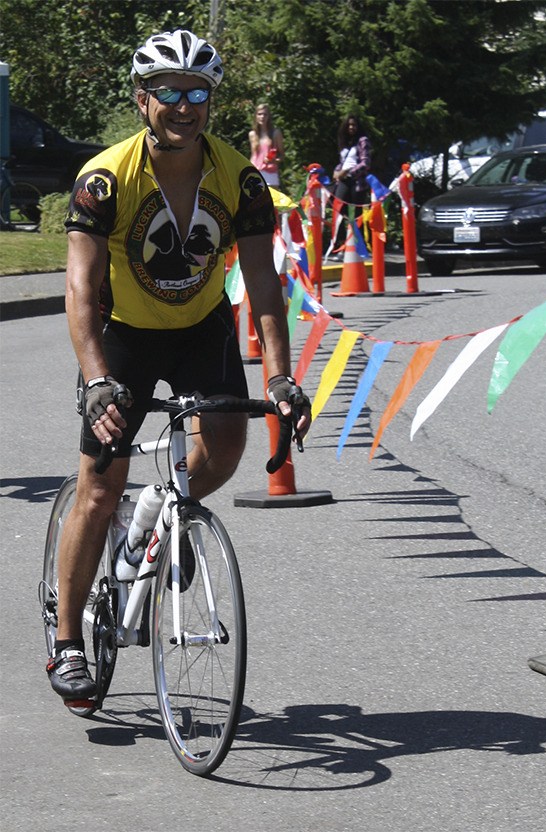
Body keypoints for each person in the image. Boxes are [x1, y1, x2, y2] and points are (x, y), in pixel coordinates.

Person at [46, 29, 310, 703]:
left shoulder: (239, 179)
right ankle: (69, 641)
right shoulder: (105, 179)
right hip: (123, 334)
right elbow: (79, 290)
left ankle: (161, 514)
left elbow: (265, 283)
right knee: (100, 489)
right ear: (143, 100)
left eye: (197, 94)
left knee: (225, 447)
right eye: (169, 93)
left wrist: (280, 376)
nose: (184, 106)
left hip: (201, 327)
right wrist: (98, 376)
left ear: (210, 103)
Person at [330, 115, 372, 256]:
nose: (351, 128)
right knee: (338, 210)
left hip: (357, 182)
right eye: (349, 125)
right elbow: (343, 162)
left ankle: (357, 245)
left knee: (355, 214)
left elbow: (365, 163)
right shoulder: (345, 142)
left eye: (354, 125)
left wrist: (347, 172)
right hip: (343, 181)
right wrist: (337, 172)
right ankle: (342, 245)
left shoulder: (363, 141)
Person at [249, 103, 284, 188]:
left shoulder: (275, 133)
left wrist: (273, 160)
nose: (262, 117)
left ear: (269, 117)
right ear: (256, 116)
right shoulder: (252, 134)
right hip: (255, 172)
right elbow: (253, 156)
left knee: (272, 199)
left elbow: (282, 155)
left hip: (270, 173)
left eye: (265, 114)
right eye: (259, 114)